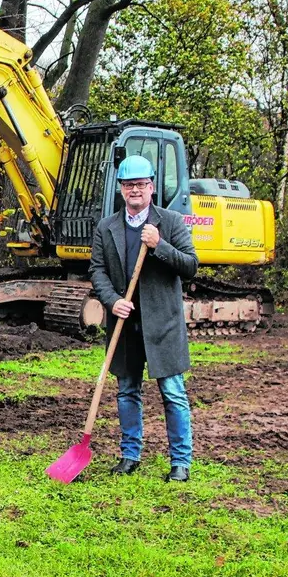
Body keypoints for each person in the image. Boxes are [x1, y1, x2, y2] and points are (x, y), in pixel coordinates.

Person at [89, 154, 199, 481]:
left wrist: (159, 245)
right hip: (124, 324)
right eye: (128, 185)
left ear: (151, 187)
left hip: (162, 323)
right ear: (121, 189)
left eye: (140, 184)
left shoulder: (171, 223)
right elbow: (97, 270)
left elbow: (190, 266)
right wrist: (112, 301)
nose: (134, 190)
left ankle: (180, 462)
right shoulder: (106, 227)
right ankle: (129, 455)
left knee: (173, 392)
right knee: (127, 391)